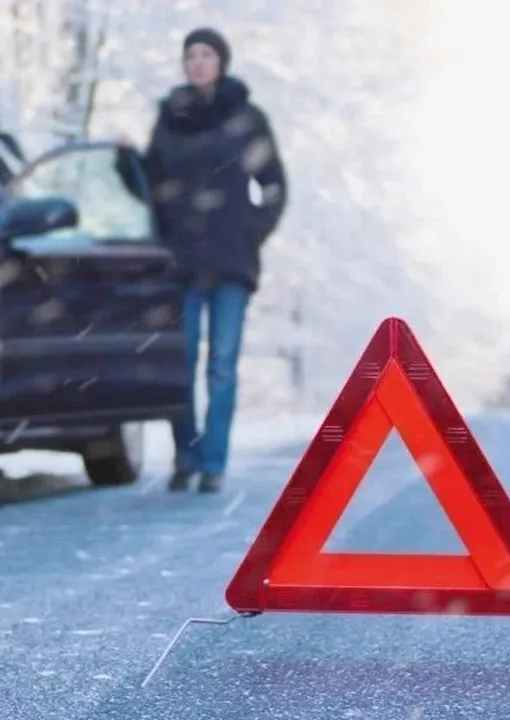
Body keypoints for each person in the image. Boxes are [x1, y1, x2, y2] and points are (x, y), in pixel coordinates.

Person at [116, 27, 288, 494]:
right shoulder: (171, 118)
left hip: (232, 260)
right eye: (191, 54)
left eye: (206, 54)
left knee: (222, 364)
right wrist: (126, 163)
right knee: (181, 361)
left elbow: (274, 184)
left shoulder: (247, 118)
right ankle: (185, 455)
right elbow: (151, 188)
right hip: (181, 262)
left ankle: (214, 462)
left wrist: (253, 229)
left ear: (221, 61)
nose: (197, 62)